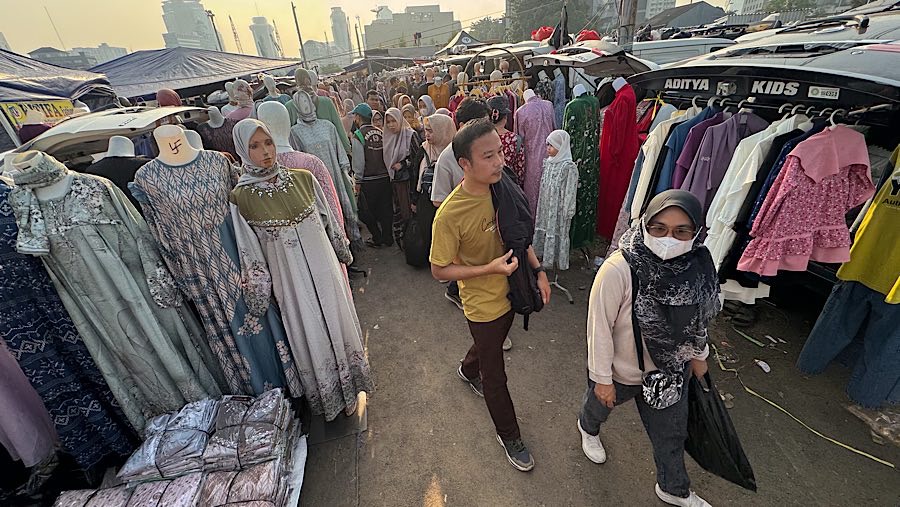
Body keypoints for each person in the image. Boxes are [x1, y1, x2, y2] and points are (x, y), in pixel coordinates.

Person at [578, 190, 720, 507]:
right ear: (645, 225)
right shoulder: (619, 269)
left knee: (671, 433)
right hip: (622, 371)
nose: (669, 238)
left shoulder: (697, 266)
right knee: (599, 407)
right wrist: (601, 377)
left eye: (681, 231)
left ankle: (673, 487)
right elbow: (598, 327)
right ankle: (588, 427)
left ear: (696, 233)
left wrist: (700, 357)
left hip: (670, 371)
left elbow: (697, 320)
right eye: (659, 228)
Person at [430, 118, 550, 473]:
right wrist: (489, 269)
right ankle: (509, 434)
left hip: (515, 292)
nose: (499, 161)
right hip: (482, 303)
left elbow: (518, 236)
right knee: (495, 374)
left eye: (499, 151)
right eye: (488, 156)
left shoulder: (504, 184)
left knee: (489, 347)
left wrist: (538, 270)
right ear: (464, 164)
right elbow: (439, 271)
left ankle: (468, 370)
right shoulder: (450, 215)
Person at [350, 104, 394, 248]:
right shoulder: (380, 132)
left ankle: (377, 237)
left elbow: (359, 161)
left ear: (358, 117)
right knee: (386, 209)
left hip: (369, 180)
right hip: (384, 177)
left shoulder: (358, 136)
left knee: (366, 211)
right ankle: (388, 237)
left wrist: (357, 180)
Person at [383, 107, 424, 245]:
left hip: (409, 183)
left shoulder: (410, 135)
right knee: (400, 211)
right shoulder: (388, 137)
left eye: (394, 121)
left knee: (410, 214)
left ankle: (412, 242)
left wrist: (403, 163)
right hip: (396, 181)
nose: (391, 125)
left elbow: (418, 159)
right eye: (388, 122)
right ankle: (404, 242)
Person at [417, 114, 457, 253]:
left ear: (443, 130)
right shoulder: (423, 149)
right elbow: (415, 174)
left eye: (431, 131)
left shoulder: (455, 152)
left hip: (449, 203)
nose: (427, 135)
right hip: (426, 201)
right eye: (426, 130)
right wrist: (414, 200)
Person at [487, 96, 525, 188]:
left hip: (486, 186)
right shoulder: (515, 139)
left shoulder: (481, 137)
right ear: (505, 118)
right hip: (509, 187)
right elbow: (520, 172)